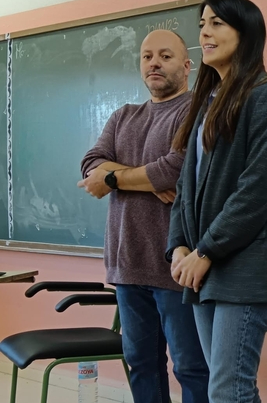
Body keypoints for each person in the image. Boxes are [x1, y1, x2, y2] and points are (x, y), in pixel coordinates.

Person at [166, 0, 267, 403]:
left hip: (243, 261)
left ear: (246, 33)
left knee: (228, 390)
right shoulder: (209, 101)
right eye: (202, 24)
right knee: (228, 389)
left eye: (217, 23)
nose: (204, 33)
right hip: (203, 262)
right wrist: (179, 245)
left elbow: (257, 189)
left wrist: (206, 249)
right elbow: (186, 186)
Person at [79, 29, 210, 403]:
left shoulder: (197, 111)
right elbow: (90, 165)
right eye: (147, 56)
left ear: (187, 66)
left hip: (178, 265)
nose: (154, 63)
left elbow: (175, 168)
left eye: (166, 56)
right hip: (127, 264)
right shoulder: (123, 116)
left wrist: (114, 177)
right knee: (141, 364)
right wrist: (149, 183)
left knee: (191, 368)